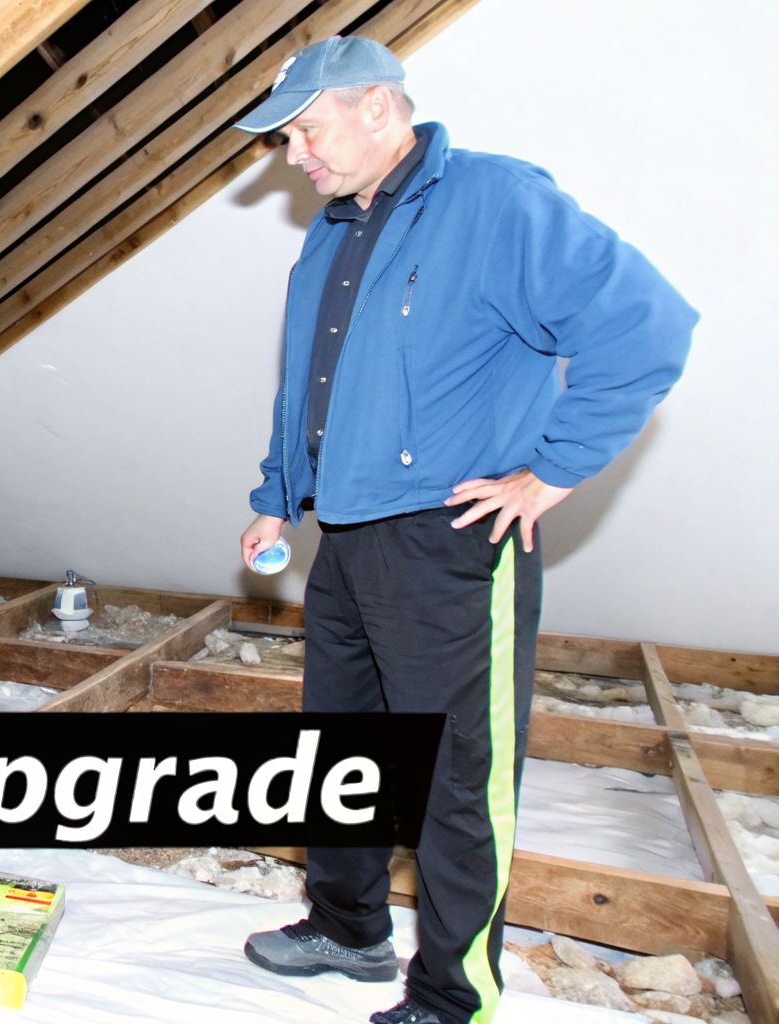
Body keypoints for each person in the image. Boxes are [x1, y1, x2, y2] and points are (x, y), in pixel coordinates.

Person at [229, 36, 693, 1024]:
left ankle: (453, 995)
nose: (291, 156)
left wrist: (552, 470)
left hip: (447, 542)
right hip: (345, 538)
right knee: (339, 752)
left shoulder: (494, 203)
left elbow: (645, 323)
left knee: (454, 777)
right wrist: (279, 491)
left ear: (376, 109)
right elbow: (308, 383)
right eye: (282, 139)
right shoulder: (332, 233)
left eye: (304, 131)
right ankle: (347, 925)